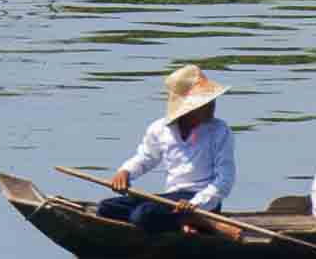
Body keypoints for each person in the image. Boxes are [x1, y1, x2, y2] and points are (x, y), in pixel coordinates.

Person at [96, 64, 234, 229]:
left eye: (211, 100)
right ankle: (185, 222)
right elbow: (147, 157)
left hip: (205, 200)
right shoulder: (160, 129)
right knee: (106, 208)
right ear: (189, 107)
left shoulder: (219, 130)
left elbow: (225, 179)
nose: (212, 105)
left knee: (143, 215)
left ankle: (200, 221)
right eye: (205, 101)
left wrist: (197, 203)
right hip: (172, 198)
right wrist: (125, 171)